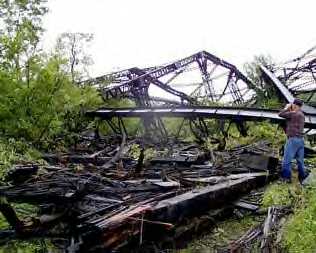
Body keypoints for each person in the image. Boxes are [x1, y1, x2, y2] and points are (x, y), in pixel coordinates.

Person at [278, 98, 307, 183]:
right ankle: (302, 178)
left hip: (293, 139)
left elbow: (280, 114)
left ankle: (286, 178)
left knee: (286, 160)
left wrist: (287, 107)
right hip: (300, 140)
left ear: (294, 105)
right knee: (300, 161)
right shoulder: (302, 114)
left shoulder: (293, 114)